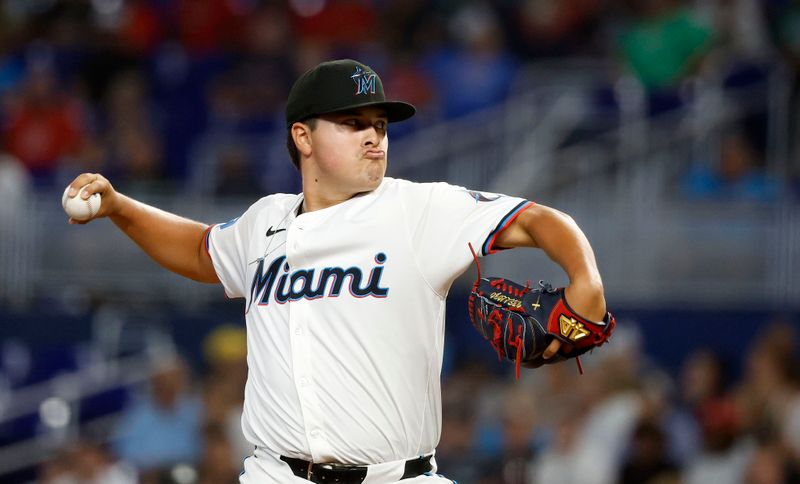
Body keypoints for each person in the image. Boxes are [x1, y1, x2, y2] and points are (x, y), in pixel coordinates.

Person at [63, 59, 609, 483]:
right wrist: (120, 207)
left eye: (379, 124)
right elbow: (202, 250)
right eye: (353, 124)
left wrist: (586, 282)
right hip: (275, 473)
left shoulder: (417, 209)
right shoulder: (265, 221)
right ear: (303, 137)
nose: (375, 137)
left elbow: (538, 219)